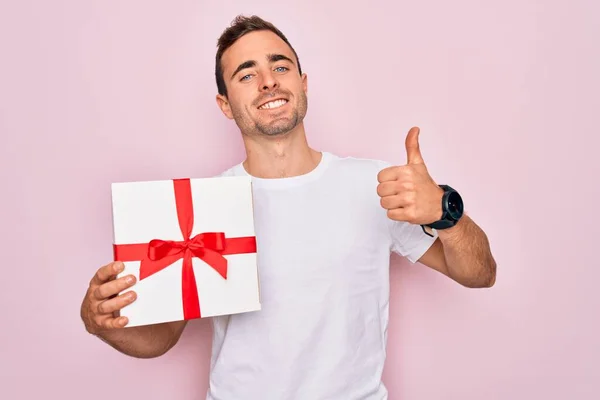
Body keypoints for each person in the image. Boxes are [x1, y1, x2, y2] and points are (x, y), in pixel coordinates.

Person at [80, 15, 497, 400]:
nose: (267, 82)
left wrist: (446, 211)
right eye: (246, 74)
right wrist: (100, 323)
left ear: (303, 83)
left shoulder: (375, 186)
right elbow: (163, 336)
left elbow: (479, 274)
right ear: (224, 104)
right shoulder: (204, 206)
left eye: (280, 67)